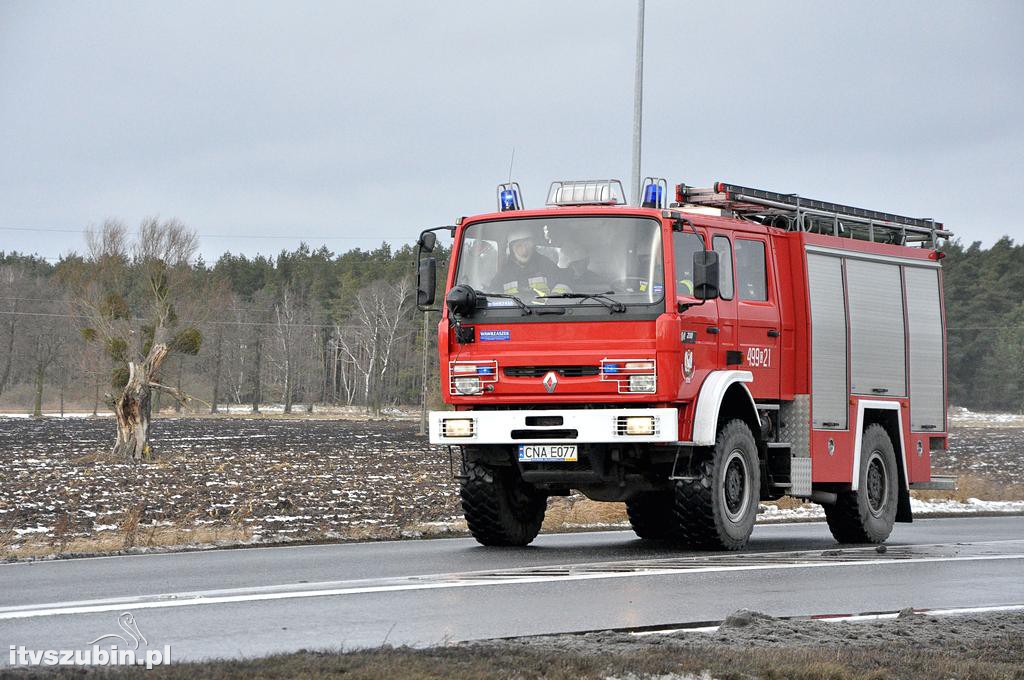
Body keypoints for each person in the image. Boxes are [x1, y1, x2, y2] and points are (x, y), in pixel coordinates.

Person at [489, 225, 566, 297]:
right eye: (519, 246)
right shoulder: (504, 273)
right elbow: (492, 295)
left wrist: (553, 301)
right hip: (513, 311)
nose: (524, 250)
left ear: (533, 245)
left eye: (527, 244)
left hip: (545, 311)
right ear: (511, 249)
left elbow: (564, 284)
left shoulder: (546, 265)